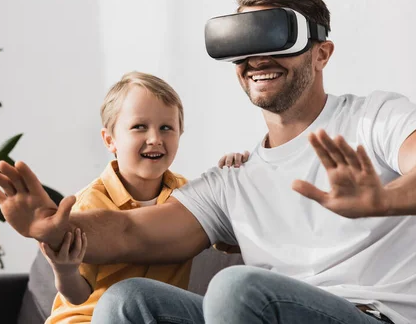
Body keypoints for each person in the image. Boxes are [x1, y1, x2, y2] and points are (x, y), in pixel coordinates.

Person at [0, 0, 416, 324]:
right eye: (244, 45)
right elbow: (130, 231)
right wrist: (55, 226)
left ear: (321, 52)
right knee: (130, 301)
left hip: (372, 317)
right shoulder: (233, 182)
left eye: (274, 40)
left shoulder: (375, 117)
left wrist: (385, 200)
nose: (256, 59)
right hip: (263, 314)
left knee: (236, 287)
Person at [15, 71, 248, 324]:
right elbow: (77, 296)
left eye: (166, 128)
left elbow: (232, 238)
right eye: (139, 127)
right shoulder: (89, 204)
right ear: (110, 140)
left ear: (180, 134)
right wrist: (65, 269)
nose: (155, 139)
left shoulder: (188, 196)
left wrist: (237, 175)